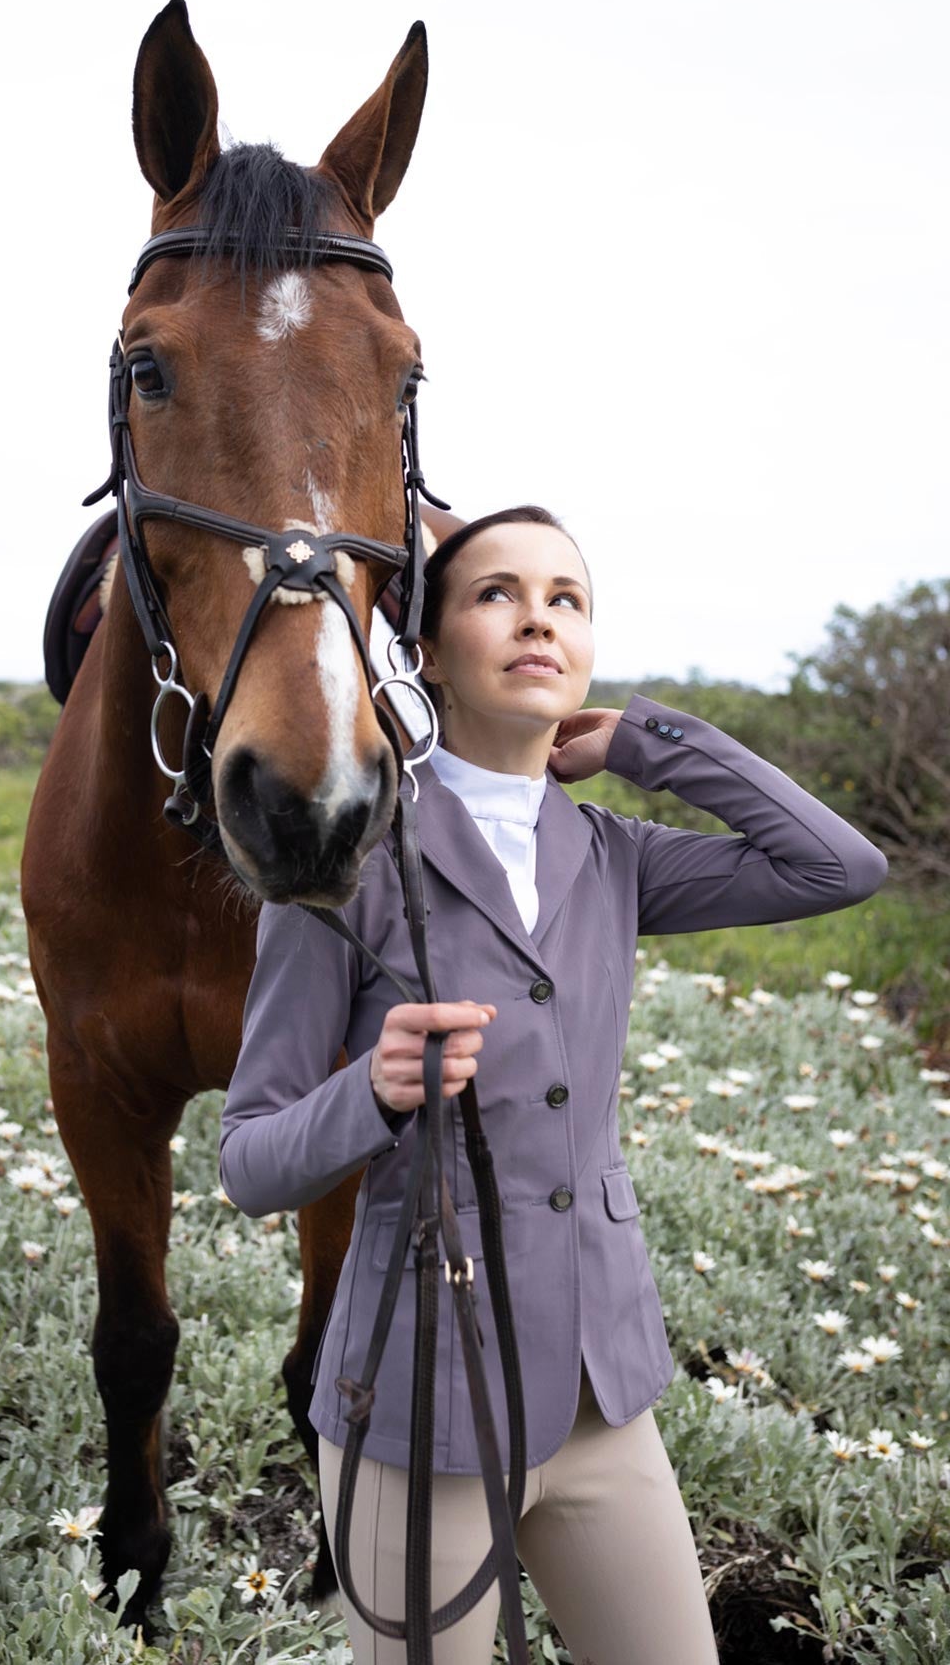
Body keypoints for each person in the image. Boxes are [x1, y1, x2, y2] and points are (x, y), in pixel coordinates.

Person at [218, 505, 888, 1664]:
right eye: (497, 593)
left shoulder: (614, 855)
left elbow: (838, 865)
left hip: (600, 1397)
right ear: (425, 654)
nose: (538, 617)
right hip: (417, 1404)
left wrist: (643, 742)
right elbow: (248, 1161)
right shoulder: (349, 866)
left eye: (566, 599)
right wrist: (373, 1090)